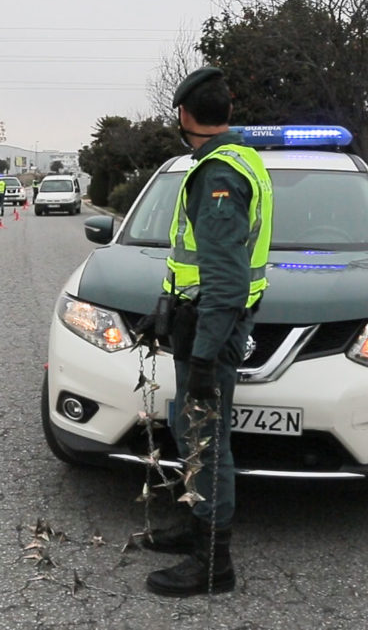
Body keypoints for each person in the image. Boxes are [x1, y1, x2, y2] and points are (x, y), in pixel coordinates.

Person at [140, 66, 273, 598]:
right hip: (198, 322)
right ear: (229, 113)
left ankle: (214, 562)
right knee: (190, 433)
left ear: (183, 116)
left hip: (211, 332)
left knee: (209, 445)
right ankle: (194, 527)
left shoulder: (218, 176)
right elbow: (193, 261)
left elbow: (226, 283)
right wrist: (163, 308)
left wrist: (201, 359)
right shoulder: (238, 159)